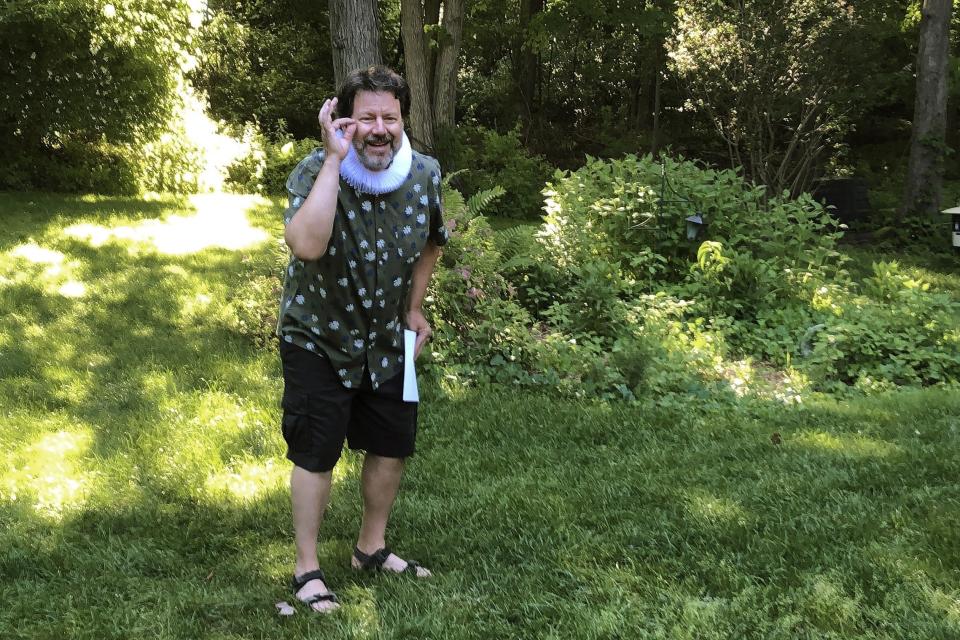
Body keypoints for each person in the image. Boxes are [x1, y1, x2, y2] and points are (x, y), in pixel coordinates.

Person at [276, 65, 449, 613]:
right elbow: (305, 244)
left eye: (390, 117)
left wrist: (414, 309)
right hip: (318, 335)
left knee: (392, 444)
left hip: (388, 338)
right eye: (366, 116)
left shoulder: (424, 172)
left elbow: (431, 241)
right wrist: (332, 158)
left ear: (403, 120)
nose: (378, 129)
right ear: (345, 119)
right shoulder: (315, 169)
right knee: (316, 450)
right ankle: (307, 568)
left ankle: (370, 549)